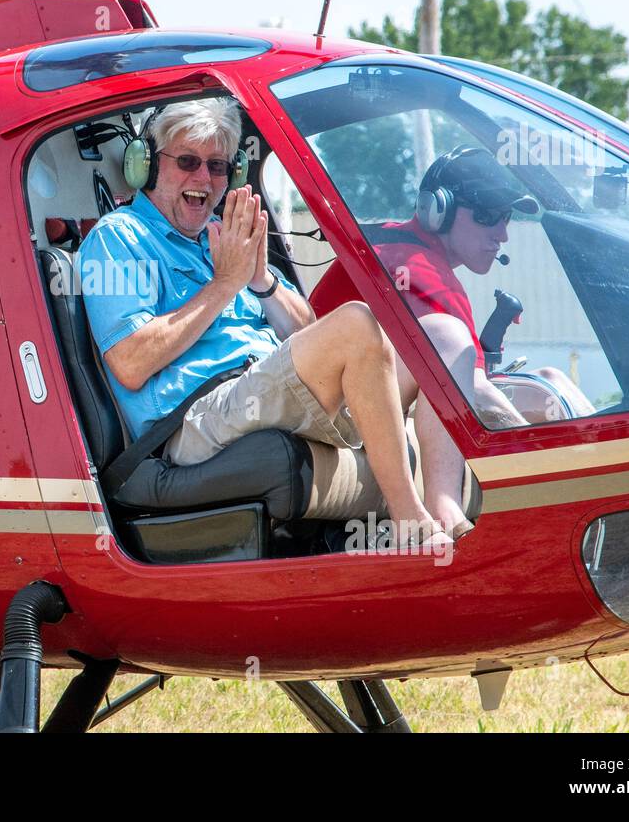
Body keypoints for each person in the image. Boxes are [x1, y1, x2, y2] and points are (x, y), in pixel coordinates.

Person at [78, 97, 449, 546]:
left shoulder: (224, 235)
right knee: (356, 323)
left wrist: (258, 281)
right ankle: (411, 521)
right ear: (148, 167)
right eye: (188, 161)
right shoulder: (120, 237)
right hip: (192, 418)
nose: (203, 178)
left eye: (217, 166)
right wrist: (224, 283)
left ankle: (452, 520)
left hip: (258, 386)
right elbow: (131, 363)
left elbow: (306, 332)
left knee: (435, 341)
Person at [310, 145, 595, 535]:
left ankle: (599, 480)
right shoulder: (418, 268)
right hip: (332, 409)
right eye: (488, 215)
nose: (503, 233)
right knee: (455, 343)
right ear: (437, 210)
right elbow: (474, 390)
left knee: (550, 382)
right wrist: (547, 468)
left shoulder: (407, 249)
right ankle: (447, 511)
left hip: (343, 394)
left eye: (506, 216)